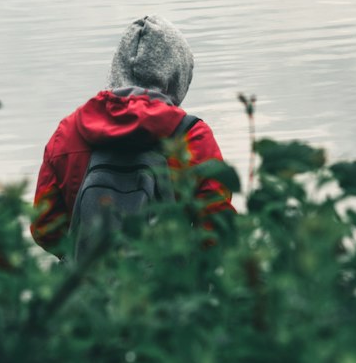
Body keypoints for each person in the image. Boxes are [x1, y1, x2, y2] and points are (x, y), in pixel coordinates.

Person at [30, 14, 234, 254]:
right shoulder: (192, 137)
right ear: (177, 74)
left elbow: (44, 228)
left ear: (117, 68)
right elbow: (219, 230)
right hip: (168, 287)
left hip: (91, 287)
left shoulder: (68, 133)